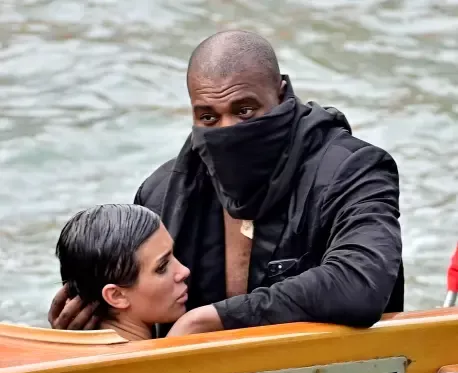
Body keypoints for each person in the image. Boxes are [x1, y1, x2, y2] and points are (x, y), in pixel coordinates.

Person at [49, 30, 403, 338]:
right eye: (208, 117)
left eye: (244, 111)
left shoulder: (354, 170)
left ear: (281, 96)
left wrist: (209, 320)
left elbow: (362, 282)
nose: (228, 131)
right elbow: (131, 306)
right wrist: (94, 331)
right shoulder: (162, 193)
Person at [55, 204, 189, 341]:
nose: (185, 271)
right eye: (162, 267)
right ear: (117, 295)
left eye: (174, 254)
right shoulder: (186, 334)